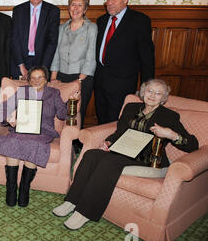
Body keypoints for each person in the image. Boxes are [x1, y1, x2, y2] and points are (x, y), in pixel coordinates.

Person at [52, 79, 198, 230]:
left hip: (148, 160)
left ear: (164, 97)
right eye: (150, 91)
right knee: (91, 154)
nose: (153, 95)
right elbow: (119, 133)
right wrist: (107, 142)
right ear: (143, 92)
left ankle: (85, 213)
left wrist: (171, 134)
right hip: (123, 152)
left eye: (158, 93)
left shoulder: (169, 116)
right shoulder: (131, 107)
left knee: (107, 164)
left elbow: (193, 145)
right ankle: (72, 201)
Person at [0, 66, 80, 207]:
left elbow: (63, 115)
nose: (36, 81)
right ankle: (11, 189)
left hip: (42, 132)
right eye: (33, 78)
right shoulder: (22, 91)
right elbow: (3, 108)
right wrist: (9, 117)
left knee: (34, 143)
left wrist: (71, 102)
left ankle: (25, 189)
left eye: (40, 78)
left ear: (46, 79)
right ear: (29, 80)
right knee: (13, 140)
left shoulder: (54, 93)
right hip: (21, 129)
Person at [94, 0, 155, 125]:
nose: (110, 3)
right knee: (101, 120)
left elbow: (147, 57)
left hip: (123, 84)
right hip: (100, 81)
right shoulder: (101, 21)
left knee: (117, 122)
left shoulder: (139, 21)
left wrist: (147, 87)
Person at [50, 0, 97, 128]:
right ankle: (60, 143)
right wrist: (53, 78)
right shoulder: (62, 28)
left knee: (76, 114)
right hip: (61, 77)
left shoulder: (91, 28)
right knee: (59, 113)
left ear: (85, 9)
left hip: (82, 77)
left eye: (79, 5)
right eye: (73, 5)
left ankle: (74, 145)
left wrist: (79, 81)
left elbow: (91, 58)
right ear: (69, 7)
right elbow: (56, 54)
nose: (75, 8)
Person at [11, 0, 60, 80]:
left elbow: (52, 42)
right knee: (21, 95)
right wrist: (21, 65)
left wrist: (42, 69)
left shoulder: (53, 11)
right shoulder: (18, 10)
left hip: (43, 63)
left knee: (40, 96)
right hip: (20, 64)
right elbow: (14, 39)